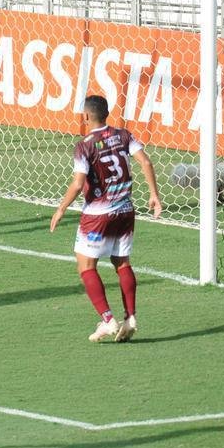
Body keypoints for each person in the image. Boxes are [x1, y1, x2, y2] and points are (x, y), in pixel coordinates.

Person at [49, 95, 162, 343]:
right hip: (125, 211)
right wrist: (154, 195)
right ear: (107, 114)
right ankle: (130, 316)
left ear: (86, 116)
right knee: (122, 263)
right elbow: (145, 161)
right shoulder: (124, 135)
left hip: (98, 216)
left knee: (86, 266)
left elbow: (78, 184)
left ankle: (109, 320)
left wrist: (60, 209)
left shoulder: (84, 146)